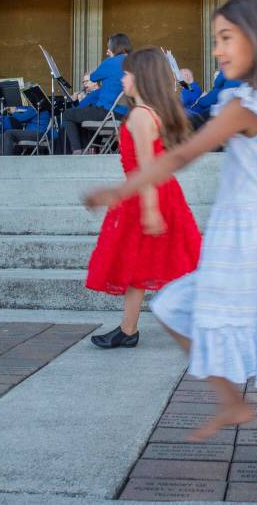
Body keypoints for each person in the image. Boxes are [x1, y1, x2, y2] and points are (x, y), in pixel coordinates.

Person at [84, 0, 257, 491]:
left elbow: (184, 156)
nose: (216, 50)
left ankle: (236, 403)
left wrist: (122, 189)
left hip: (248, 245)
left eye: (224, 39)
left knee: (174, 305)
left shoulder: (244, 105)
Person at [85, 47, 201, 348]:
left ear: (141, 78)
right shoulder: (152, 113)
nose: (122, 79)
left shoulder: (139, 115)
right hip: (157, 192)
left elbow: (148, 166)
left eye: (127, 73)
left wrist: (150, 210)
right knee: (144, 264)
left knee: (156, 262)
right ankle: (128, 329)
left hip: (148, 194)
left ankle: (137, 328)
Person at [63, 33, 131, 154]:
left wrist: (111, 57)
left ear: (115, 47)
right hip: (127, 114)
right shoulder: (135, 61)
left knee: (68, 114)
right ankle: (91, 150)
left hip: (108, 112)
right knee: (85, 112)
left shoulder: (112, 61)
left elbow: (93, 78)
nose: (107, 51)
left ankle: (77, 152)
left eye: (108, 48)